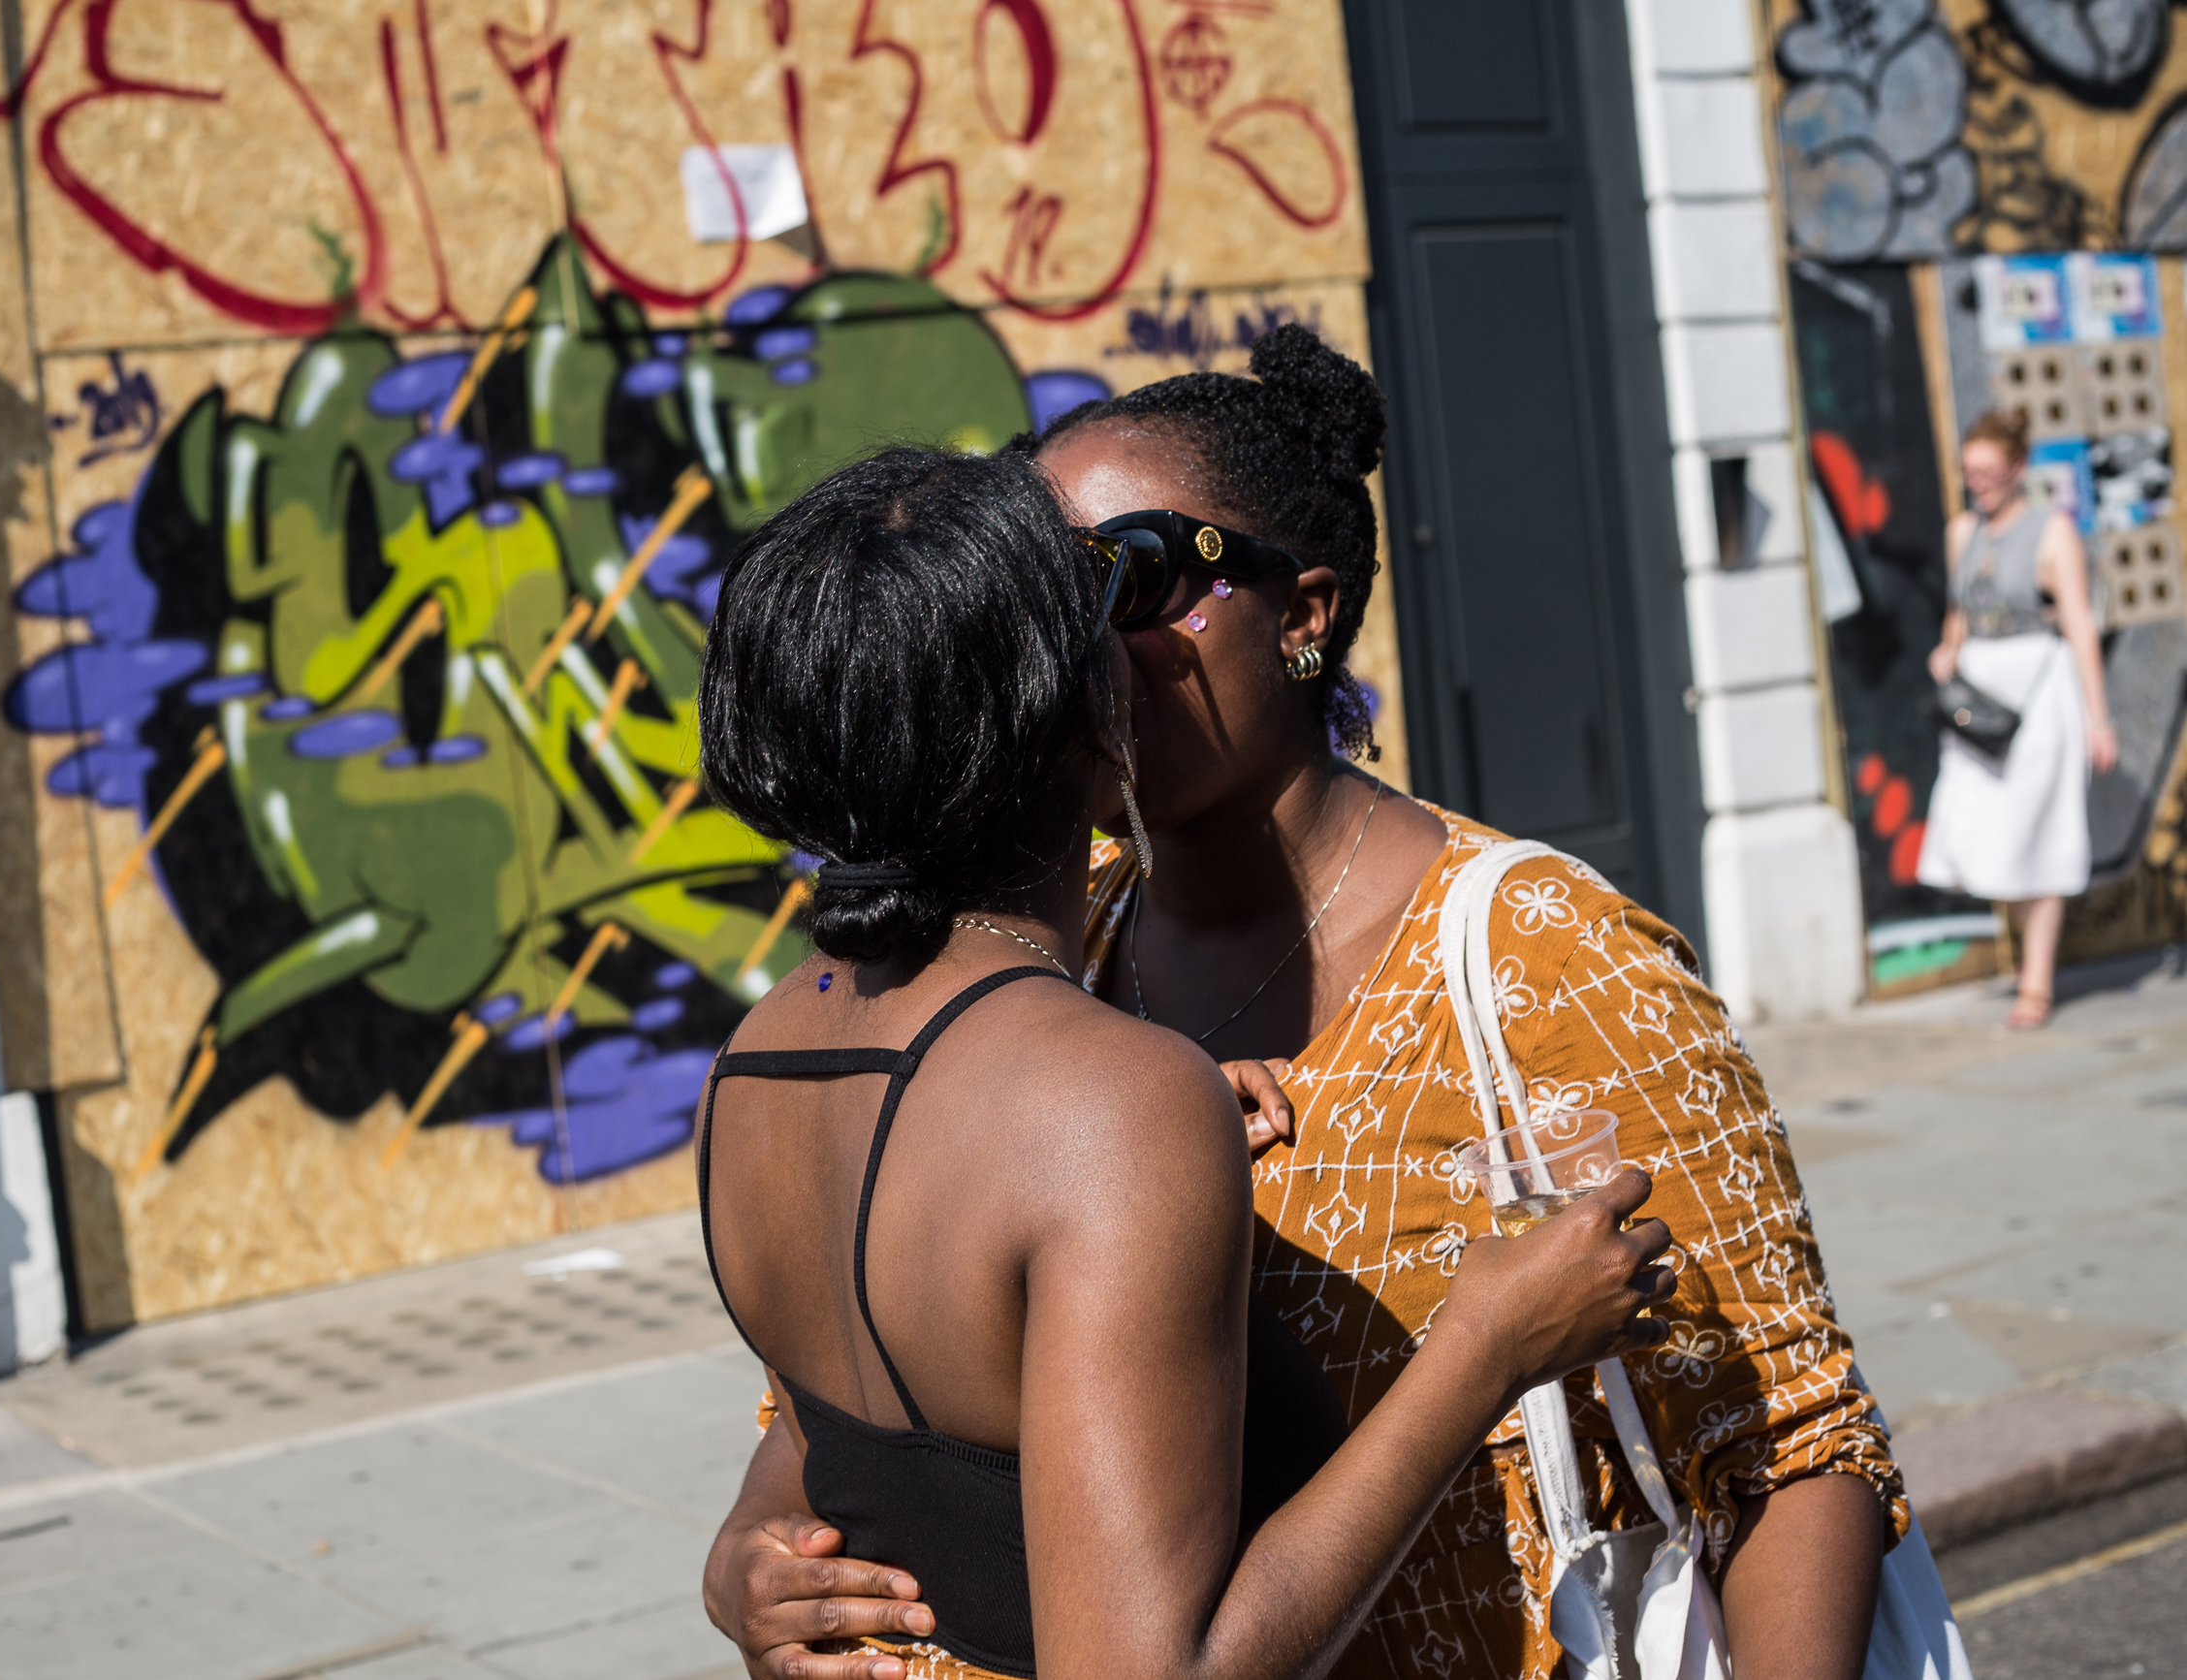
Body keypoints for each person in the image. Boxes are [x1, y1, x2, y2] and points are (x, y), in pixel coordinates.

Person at [705, 328, 1908, 1680]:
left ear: (1303, 612)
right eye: (1039, 591)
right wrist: (760, 1547)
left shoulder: (1548, 959)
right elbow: (845, 1402)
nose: (1078, 634)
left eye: (1134, 575)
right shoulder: (1055, 980)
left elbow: (1789, 1441)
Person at [1919, 407, 2119, 1030]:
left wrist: (2099, 717)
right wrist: (1949, 646)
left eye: (1988, 472)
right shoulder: (1962, 532)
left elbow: (2080, 625)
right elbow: (1960, 608)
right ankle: (2028, 963)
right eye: (1968, 472)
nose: (1976, 483)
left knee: (2041, 830)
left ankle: (2036, 980)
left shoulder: (2051, 532)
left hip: (2038, 696)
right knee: (1980, 830)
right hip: (1979, 696)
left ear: (2017, 469)